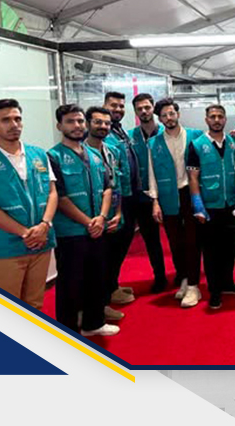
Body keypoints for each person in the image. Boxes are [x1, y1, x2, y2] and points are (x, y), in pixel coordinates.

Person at [0, 99, 57, 309]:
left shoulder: (38, 154)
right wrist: (26, 233)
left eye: (17, 119)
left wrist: (44, 225)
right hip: (4, 245)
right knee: (7, 307)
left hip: (41, 240)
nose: (14, 125)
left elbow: (52, 193)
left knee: (35, 303)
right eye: (5, 120)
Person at [48, 104, 117, 336]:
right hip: (71, 232)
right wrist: (89, 222)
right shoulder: (53, 157)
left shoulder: (95, 155)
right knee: (70, 283)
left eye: (80, 121)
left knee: (97, 278)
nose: (77, 126)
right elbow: (60, 197)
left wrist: (102, 218)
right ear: (59, 126)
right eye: (70, 121)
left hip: (98, 228)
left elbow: (107, 188)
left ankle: (93, 323)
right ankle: (67, 330)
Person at [105, 92, 169, 294]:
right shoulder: (130, 136)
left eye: (147, 107)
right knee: (123, 241)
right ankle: (111, 286)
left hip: (161, 195)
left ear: (153, 109)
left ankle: (163, 278)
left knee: (156, 240)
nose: (144, 111)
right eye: (139, 109)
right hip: (131, 197)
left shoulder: (165, 132)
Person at [147, 98, 208, 308]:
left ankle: (193, 285)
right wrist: (155, 201)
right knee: (174, 241)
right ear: (160, 119)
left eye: (171, 113)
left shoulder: (196, 136)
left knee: (193, 240)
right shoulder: (153, 143)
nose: (169, 118)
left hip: (191, 193)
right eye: (164, 116)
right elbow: (151, 173)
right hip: (168, 196)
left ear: (178, 114)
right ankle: (183, 277)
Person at [187, 105, 235, 310]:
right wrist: (198, 206)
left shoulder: (233, 143)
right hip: (209, 207)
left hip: (231, 204)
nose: (217, 120)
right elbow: (193, 178)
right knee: (211, 251)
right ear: (207, 120)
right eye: (213, 117)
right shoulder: (196, 145)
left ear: (225, 119)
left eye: (220, 116)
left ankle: (228, 282)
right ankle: (215, 291)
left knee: (230, 247)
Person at [83, 106, 125, 322]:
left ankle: (103, 303)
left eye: (107, 123)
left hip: (112, 217)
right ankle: (90, 310)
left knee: (108, 263)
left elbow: (116, 184)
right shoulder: (81, 153)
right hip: (91, 219)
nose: (103, 126)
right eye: (98, 122)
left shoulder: (112, 152)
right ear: (87, 123)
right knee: (90, 269)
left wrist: (117, 213)